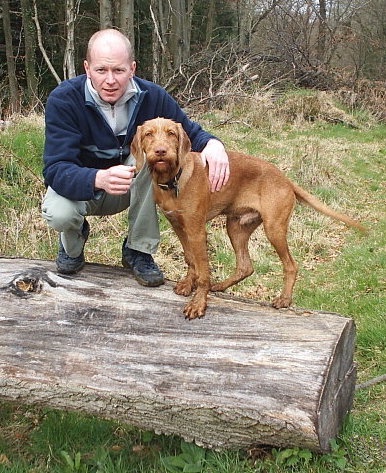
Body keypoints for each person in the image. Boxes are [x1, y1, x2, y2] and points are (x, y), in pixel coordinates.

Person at [41, 28, 229, 287]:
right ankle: (73, 244)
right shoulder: (64, 99)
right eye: (101, 70)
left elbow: (188, 130)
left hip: (129, 188)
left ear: (132, 68)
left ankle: (138, 250)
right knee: (59, 212)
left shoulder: (152, 96)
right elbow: (55, 168)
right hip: (84, 189)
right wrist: (98, 178)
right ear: (86, 67)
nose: (110, 80)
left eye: (118, 71)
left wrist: (213, 144)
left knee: (148, 162)